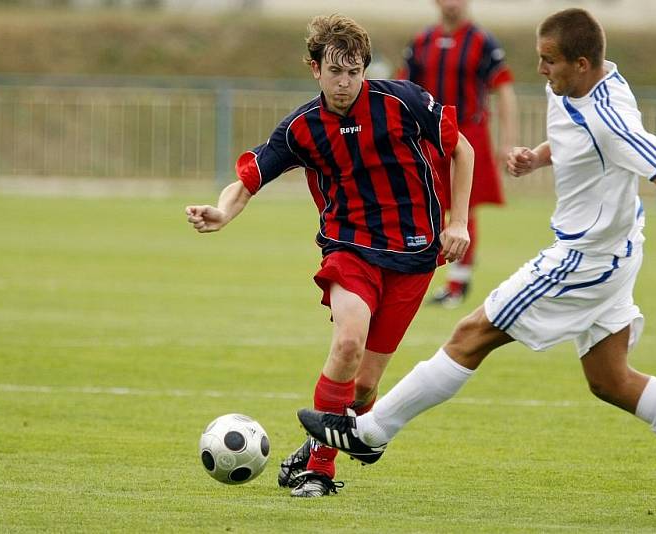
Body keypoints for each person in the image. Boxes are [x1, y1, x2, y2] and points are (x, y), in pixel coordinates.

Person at [297, 8, 656, 518]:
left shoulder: (611, 115)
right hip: (616, 252)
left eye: (549, 61)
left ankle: (368, 432)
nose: (540, 70)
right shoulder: (576, 87)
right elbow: (576, 136)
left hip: (581, 259)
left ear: (582, 63)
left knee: (470, 335)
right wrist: (540, 157)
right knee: (610, 379)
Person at [185, 14, 474, 498]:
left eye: (353, 71)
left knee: (363, 390)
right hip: (349, 250)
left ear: (364, 69)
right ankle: (318, 470)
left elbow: (461, 149)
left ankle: (322, 442)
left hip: (413, 254)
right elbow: (250, 178)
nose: (345, 82)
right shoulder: (302, 128)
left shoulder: (401, 101)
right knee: (347, 344)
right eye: (335, 71)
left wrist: (459, 221)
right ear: (314, 69)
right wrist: (223, 212)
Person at [398, 0, 518, 308]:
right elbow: (401, 86)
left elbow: (504, 89)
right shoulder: (422, 41)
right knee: (425, 207)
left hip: (469, 133)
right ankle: (422, 276)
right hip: (429, 134)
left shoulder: (482, 42)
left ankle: (457, 283)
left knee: (465, 209)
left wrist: (509, 141)